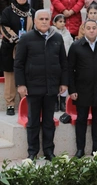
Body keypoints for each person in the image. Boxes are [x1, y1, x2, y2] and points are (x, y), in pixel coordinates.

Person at [15, 9, 68, 160]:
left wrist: (64, 82)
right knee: (32, 121)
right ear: (35, 21)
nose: (44, 21)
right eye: (41, 19)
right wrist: (20, 84)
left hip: (51, 88)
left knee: (48, 122)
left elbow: (64, 63)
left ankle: (49, 152)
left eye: (46, 19)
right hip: (33, 87)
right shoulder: (26, 38)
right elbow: (18, 64)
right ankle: (32, 152)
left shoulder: (57, 37)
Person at [68, 18, 97, 157]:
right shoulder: (76, 46)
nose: (92, 30)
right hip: (82, 90)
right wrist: (72, 90)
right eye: (89, 28)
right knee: (81, 119)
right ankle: (80, 149)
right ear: (84, 29)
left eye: (94, 28)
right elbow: (70, 70)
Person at [0, 0, 34, 116]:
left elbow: (35, 28)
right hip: (10, 48)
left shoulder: (31, 11)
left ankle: (24, 101)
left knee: (26, 75)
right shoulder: (8, 12)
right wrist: (15, 38)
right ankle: (10, 104)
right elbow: (3, 26)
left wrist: (27, 40)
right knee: (10, 77)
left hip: (27, 49)